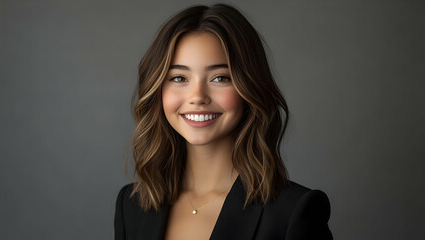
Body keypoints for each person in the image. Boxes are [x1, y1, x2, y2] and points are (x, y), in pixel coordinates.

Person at [114, 3, 332, 240]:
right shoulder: (131, 207)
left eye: (220, 78)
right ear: (157, 89)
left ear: (250, 87)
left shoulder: (293, 212)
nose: (198, 97)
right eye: (179, 78)